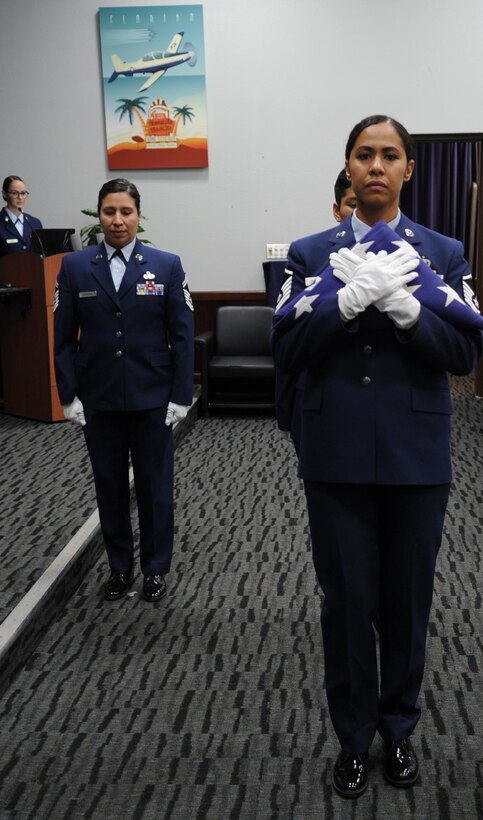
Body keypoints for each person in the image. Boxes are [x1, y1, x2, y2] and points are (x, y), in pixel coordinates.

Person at [272, 115, 482, 798]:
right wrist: (345, 301)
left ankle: (398, 730)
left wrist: (407, 311)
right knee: (345, 604)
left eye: (389, 156)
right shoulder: (310, 253)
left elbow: (463, 352)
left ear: (407, 171)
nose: (375, 166)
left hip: (416, 458)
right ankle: (353, 739)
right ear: (347, 166)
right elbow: (288, 351)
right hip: (333, 458)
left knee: (405, 604)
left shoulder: (443, 253)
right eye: (363, 154)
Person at [54, 178, 194, 603]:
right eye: (110, 212)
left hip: (153, 397)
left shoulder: (166, 265)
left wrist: (180, 395)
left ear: (139, 215)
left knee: (155, 488)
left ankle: (154, 568)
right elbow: (63, 338)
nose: (118, 220)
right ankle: (119, 568)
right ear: (99, 215)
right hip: (99, 399)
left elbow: (183, 335)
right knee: (109, 486)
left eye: (126, 212)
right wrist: (68, 395)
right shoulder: (76, 267)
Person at [276, 170, 357, 450]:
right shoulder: (308, 253)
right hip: (323, 400)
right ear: (337, 210)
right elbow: (285, 339)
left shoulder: (421, 251)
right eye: (353, 205)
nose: (362, 212)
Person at [0, 175, 42, 257]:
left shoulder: (35, 223)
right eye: (14, 193)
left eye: (23, 193)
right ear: (4, 194)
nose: (20, 197)